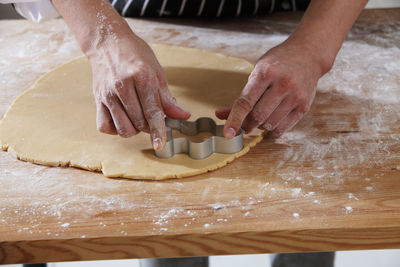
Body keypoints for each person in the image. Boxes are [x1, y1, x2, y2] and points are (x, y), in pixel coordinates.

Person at [2, 1, 368, 266]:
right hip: (130, 18)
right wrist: (102, 37)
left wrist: (315, 47)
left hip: (295, 21)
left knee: (306, 230)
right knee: (171, 247)